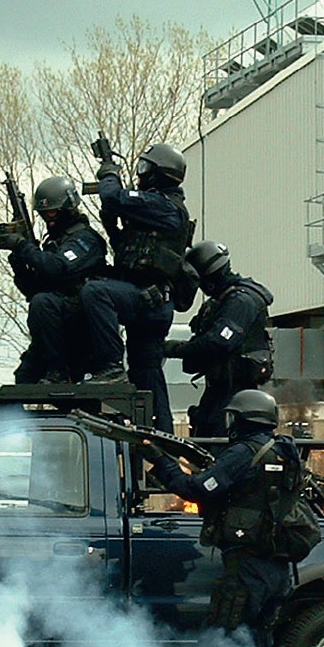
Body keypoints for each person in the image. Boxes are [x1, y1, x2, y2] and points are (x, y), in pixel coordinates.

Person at [148, 389, 302, 646]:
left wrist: (161, 462)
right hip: (277, 566)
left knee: (228, 641)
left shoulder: (243, 453)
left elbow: (196, 489)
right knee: (260, 641)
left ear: (245, 420)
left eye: (233, 417)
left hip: (247, 566)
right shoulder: (285, 452)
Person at [79, 142, 196, 431]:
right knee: (147, 376)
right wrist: (112, 227)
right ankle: (163, 442)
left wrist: (109, 171)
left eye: (144, 169)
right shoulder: (156, 211)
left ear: (159, 174)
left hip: (151, 302)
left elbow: (112, 194)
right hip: (146, 299)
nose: (140, 176)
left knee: (96, 292)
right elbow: (131, 254)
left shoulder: (165, 206)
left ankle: (111, 368)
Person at [0, 175, 108, 384]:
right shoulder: (54, 243)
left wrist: (24, 246)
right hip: (53, 330)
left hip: (81, 323)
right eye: (44, 214)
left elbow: (58, 268)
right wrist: (19, 263)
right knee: (24, 378)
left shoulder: (85, 239)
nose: (49, 220)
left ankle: (58, 372)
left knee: (43, 303)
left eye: (51, 212)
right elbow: (34, 290)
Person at [163, 240, 275, 438]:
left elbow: (219, 341)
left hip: (234, 391)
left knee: (217, 441)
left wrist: (174, 349)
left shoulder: (240, 301)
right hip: (218, 390)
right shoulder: (222, 300)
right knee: (203, 433)